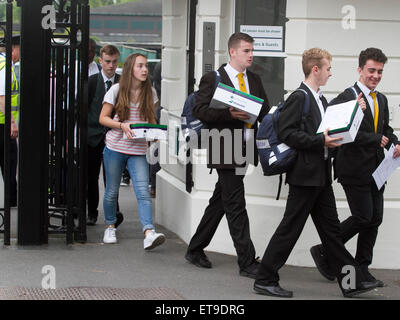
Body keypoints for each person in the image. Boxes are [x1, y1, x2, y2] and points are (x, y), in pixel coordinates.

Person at [254, 48, 380, 298]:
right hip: (304, 176)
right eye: (328, 68)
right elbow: (288, 133)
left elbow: (328, 130)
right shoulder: (299, 97)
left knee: (332, 233)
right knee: (290, 228)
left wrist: (351, 116)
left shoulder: (320, 99)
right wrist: (320, 141)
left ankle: (350, 283)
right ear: (315, 69)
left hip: (320, 175)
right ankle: (265, 278)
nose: (330, 73)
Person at [310, 48, 400, 287]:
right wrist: (373, 139)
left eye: (380, 71)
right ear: (360, 70)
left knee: (375, 219)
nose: (375, 75)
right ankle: (325, 249)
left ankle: (362, 268)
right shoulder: (345, 97)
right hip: (352, 168)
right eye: (371, 70)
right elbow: (338, 132)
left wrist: (395, 142)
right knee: (363, 216)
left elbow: (384, 130)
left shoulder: (380, 99)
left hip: (377, 169)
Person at [185, 32, 270, 278]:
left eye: (252, 51)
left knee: (221, 201)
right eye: (246, 51)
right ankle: (247, 262)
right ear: (232, 52)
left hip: (245, 147)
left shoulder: (254, 79)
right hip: (223, 147)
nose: (251, 55)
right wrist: (229, 115)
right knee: (235, 204)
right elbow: (200, 111)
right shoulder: (213, 78)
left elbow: (263, 110)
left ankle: (195, 248)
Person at [99, 53, 165, 250]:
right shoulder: (116, 90)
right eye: (140, 66)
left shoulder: (151, 93)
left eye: (146, 66)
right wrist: (122, 126)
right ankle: (110, 226)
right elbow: (103, 118)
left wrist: (154, 133)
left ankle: (149, 232)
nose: (145, 69)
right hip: (115, 147)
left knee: (143, 191)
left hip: (138, 149)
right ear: (130, 69)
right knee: (111, 191)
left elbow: (151, 121)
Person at [87, 44, 124, 227]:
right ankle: (91, 212)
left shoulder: (123, 83)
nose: (111, 65)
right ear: (100, 61)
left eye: (114, 61)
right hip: (93, 137)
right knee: (91, 177)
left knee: (112, 177)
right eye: (107, 61)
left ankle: (114, 212)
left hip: (115, 138)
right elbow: (82, 111)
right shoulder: (91, 82)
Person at [0, 35, 20, 207]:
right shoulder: (4, 66)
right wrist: (12, 122)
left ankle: (12, 197)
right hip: (3, 124)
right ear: (13, 49)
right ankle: (11, 198)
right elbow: (2, 97)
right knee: (10, 161)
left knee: (9, 161)